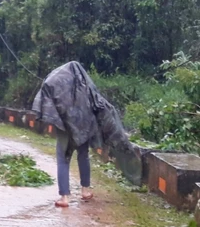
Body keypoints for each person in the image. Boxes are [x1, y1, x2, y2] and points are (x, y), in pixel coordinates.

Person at [32, 61, 132, 208]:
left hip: (64, 126)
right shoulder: (84, 86)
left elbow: (49, 100)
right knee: (83, 155)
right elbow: (95, 101)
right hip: (82, 125)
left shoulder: (56, 85)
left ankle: (64, 198)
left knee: (63, 159)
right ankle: (85, 190)